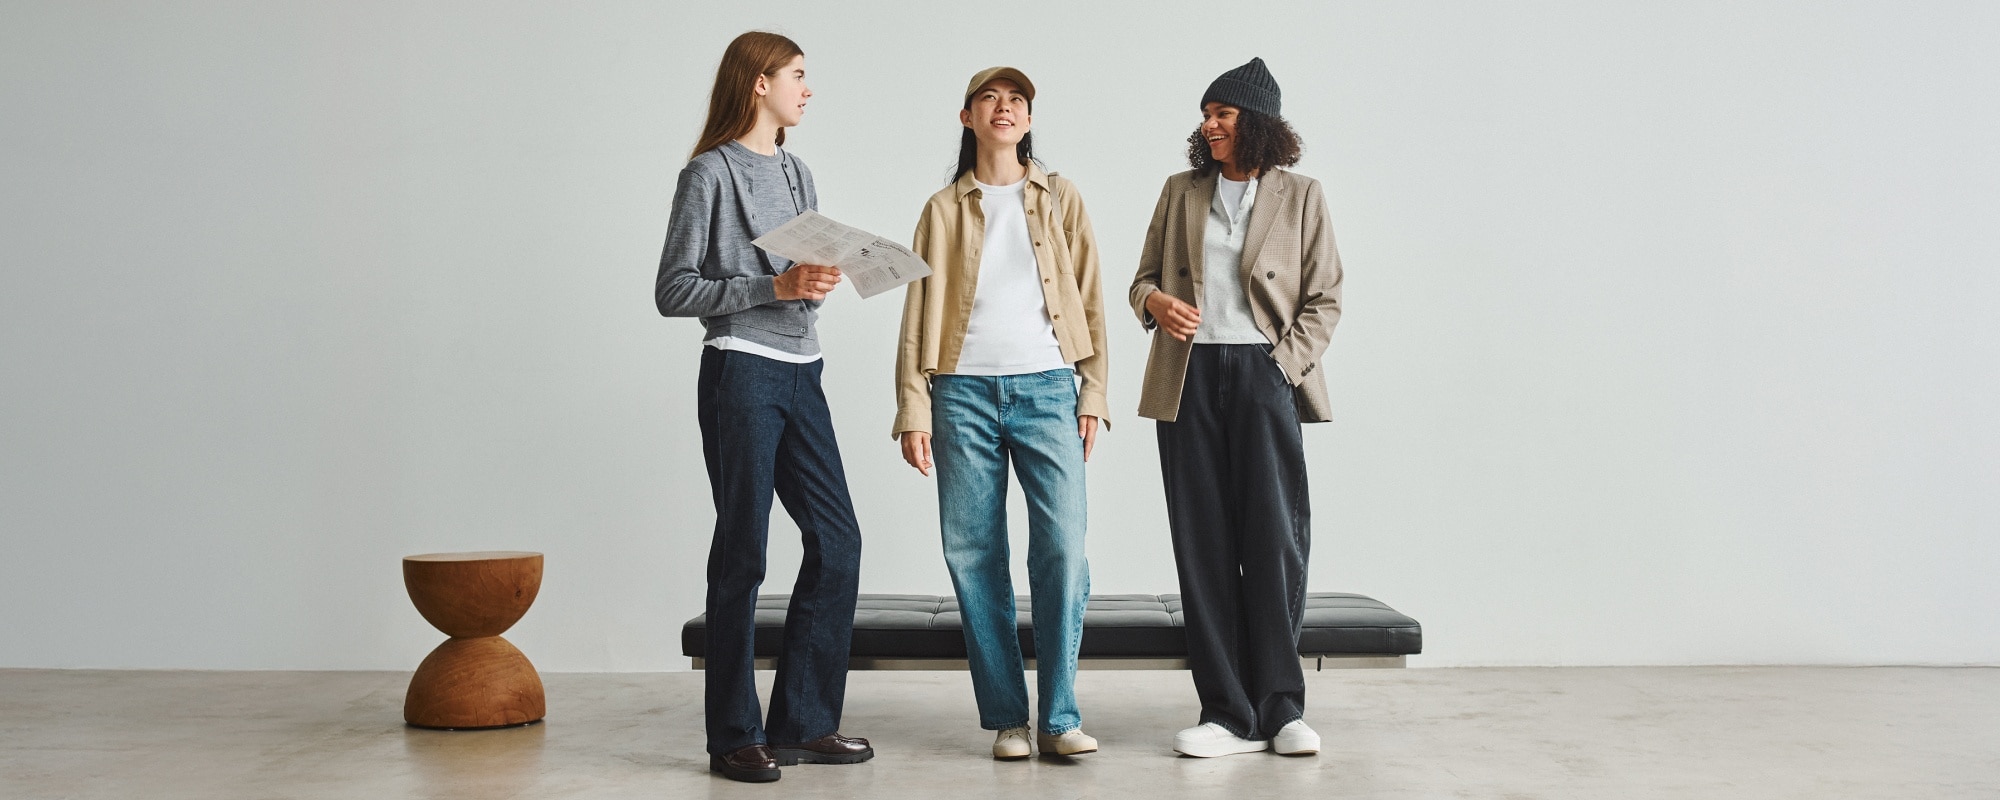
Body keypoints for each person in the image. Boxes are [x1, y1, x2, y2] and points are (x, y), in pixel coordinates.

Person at [655, 31, 870, 783]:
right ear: (759, 84)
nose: (807, 91)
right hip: (740, 370)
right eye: (799, 76)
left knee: (838, 541)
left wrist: (814, 284)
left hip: (803, 372)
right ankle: (734, 736)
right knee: (744, 549)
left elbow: (797, 276)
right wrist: (773, 288)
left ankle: (806, 722)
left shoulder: (798, 170)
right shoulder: (707, 175)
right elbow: (673, 290)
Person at [1127, 57, 1343, 758]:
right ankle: (1225, 713)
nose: (1208, 125)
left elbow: (1325, 297)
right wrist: (1155, 303)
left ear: (1256, 123)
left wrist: (1280, 367)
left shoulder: (1301, 196)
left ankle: (1281, 709)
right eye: (1206, 114)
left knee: (1274, 542)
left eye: (1222, 114)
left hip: (1262, 373)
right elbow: (1143, 281)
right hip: (1187, 378)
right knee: (1204, 546)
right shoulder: (1181, 191)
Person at [893, 66, 1110, 760]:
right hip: (961, 393)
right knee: (974, 555)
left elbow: (1093, 297)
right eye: (991, 97)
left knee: (1063, 553)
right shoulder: (941, 208)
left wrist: (1093, 392)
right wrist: (913, 408)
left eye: (1017, 99)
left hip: (1049, 388)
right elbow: (916, 312)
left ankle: (1059, 716)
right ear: (968, 118)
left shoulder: (1061, 197)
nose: (1005, 106)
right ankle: (1009, 719)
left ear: (1028, 117)